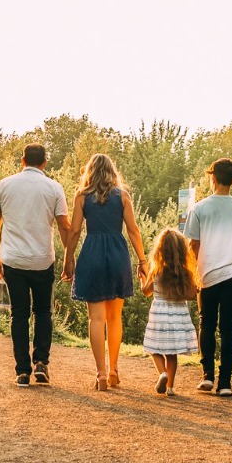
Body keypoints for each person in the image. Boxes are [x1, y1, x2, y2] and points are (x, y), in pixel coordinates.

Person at [0, 143, 71, 388]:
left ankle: (22, 371)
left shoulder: (4, 185)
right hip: (42, 261)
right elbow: (65, 227)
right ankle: (41, 363)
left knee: (19, 315)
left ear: (22, 160)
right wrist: (70, 258)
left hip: (13, 260)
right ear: (45, 162)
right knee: (43, 312)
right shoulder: (54, 188)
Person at [61, 153, 146, 391]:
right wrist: (142, 260)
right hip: (118, 256)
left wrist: (68, 260)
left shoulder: (81, 197)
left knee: (95, 319)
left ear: (90, 171)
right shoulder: (123, 197)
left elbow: (75, 231)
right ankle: (113, 371)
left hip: (92, 255)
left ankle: (99, 374)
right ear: (112, 171)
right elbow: (133, 230)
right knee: (114, 318)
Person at [182, 158, 232, 397]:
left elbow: (193, 246)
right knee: (229, 328)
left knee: (207, 323)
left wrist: (192, 275)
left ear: (212, 178)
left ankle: (207, 376)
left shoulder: (199, 209)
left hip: (207, 274)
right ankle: (225, 383)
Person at [140, 228, 201, 397]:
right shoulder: (185, 273)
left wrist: (141, 279)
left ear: (160, 249)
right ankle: (170, 387)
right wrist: (195, 289)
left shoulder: (157, 270)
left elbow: (146, 292)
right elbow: (190, 295)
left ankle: (162, 374)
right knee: (172, 353)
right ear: (182, 250)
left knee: (154, 348)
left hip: (159, 313)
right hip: (178, 315)